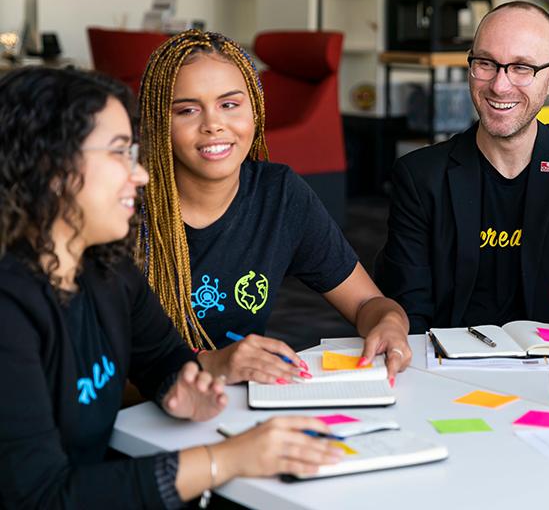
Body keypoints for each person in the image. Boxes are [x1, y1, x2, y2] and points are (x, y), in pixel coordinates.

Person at [0, 67, 344, 508]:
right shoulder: (10, 307)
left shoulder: (105, 266)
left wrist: (177, 388)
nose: (140, 175)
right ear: (49, 165)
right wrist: (224, 460)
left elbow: (161, 357)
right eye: (119, 153)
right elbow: (40, 497)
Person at [138, 30, 411, 384]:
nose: (213, 124)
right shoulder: (125, 210)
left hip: (239, 408)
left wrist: (389, 324)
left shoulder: (278, 194)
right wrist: (213, 365)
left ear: (255, 108)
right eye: (187, 110)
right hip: (141, 419)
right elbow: (95, 373)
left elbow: (365, 304)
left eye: (230, 104)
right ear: (159, 123)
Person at [375, 1, 549, 334]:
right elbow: (407, 310)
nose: (499, 85)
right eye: (485, 63)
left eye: (521, 68)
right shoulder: (421, 177)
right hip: (449, 368)